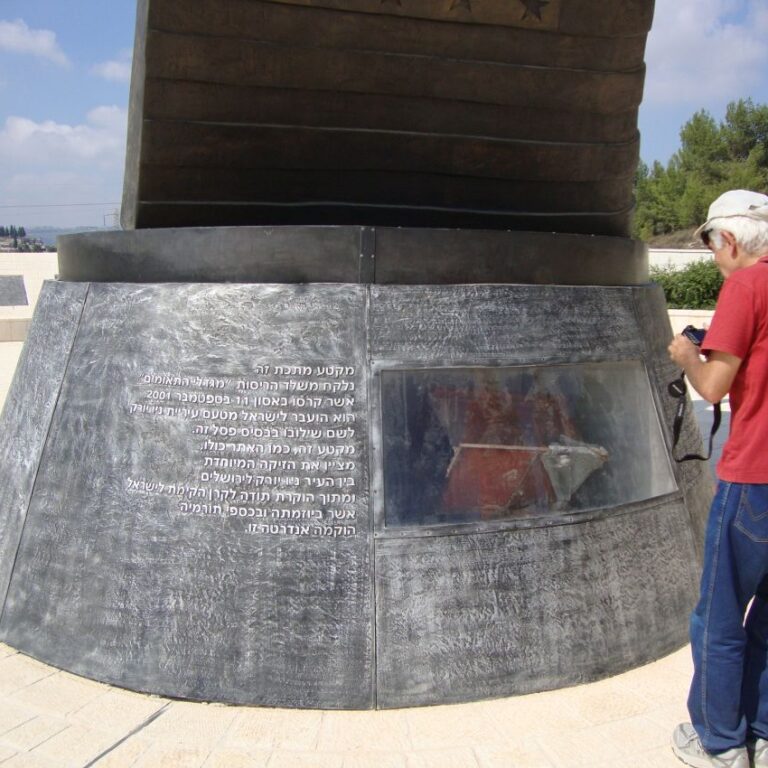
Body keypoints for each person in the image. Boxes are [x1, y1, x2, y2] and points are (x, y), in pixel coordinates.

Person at [668, 189, 768, 768]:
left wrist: (687, 355)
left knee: (720, 616)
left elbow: (712, 389)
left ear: (728, 240)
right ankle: (761, 728)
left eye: (710, 244)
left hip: (753, 476)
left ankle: (719, 740)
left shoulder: (745, 287)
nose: (711, 256)